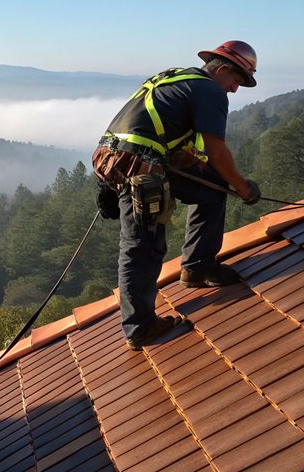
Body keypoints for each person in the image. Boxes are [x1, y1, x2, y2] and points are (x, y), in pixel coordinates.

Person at [92, 40, 262, 351]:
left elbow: (156, 133)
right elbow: (216, 150)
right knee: (143, 244)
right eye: (236, 81)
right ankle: (140, 326)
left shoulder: (176, 79)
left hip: (120, 158)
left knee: (212, 188)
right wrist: (242, 186)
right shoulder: (210, 92)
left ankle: (197, 266)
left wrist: (108, 184)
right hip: (140, 167)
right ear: (223, 69)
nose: (235, 90)